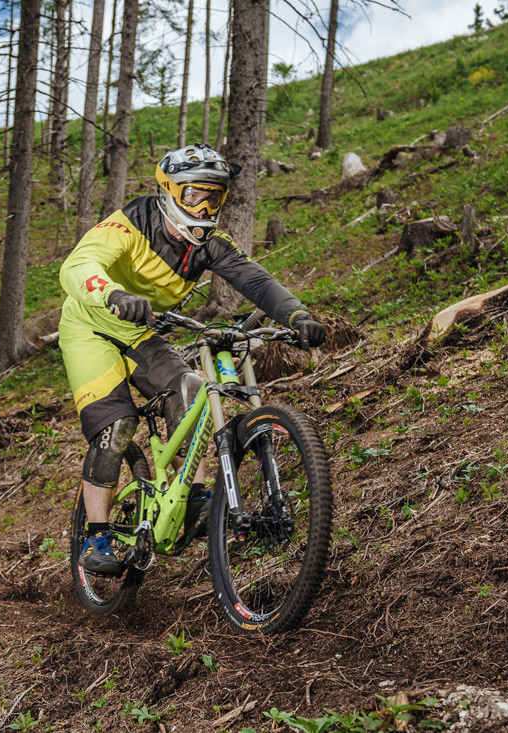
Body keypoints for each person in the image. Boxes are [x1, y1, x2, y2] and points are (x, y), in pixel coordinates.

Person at [57, 143, 327, 576]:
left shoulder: (208, 244)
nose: (203, 206)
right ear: (168, 191)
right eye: (193, 195)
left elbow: (254, 280)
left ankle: (197, 496)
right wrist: (113, 293)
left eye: (213, 197)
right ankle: (98, 534)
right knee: (116, 426)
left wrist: (296, 314)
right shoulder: (129, 225)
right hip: (91, 325)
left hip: (143, 331)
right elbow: (78, 265)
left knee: (194, 391)